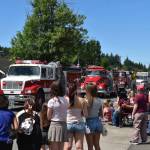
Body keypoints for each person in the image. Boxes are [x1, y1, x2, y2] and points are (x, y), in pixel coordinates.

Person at [64, 82, 88, 150]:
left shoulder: (65, 100)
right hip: (79, 124)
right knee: (79, 147)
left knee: (67, 147)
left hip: (68, 124)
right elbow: (86, 115)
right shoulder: (82, 100)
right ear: (76, 90)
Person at [47, 81, 68, 150]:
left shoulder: (51, 101)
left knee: (54, 148)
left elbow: (48, 117)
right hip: (63, 125)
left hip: (54, 125)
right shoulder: (65, 100)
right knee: (61, 148)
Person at [85, 84, 103, 150]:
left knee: (90, 146)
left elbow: (86, 114)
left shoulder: (88, 100)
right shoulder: (99, 100)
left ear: (88, 91)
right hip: (97, 122)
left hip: (89, 122)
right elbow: (101, 114)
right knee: (97, 144)